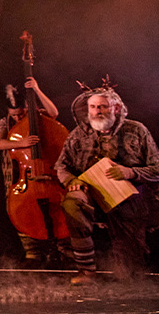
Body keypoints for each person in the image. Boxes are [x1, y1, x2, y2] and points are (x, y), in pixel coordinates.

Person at [55, 80, 159, 284]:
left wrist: (131, 172)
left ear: (116, 108)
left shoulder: (136, 130)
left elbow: (157, 169)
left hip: (128, 198)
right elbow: (61, 166)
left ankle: (129, 268)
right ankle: (86, 271)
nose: (97, 111)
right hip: (91, 193)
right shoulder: (78, 135)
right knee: (72, 202)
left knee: (130, 275)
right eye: (93, 107)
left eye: (102, 107)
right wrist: (71, 180)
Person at [0, 79, 64, 267]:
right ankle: (32, 251)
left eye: (21, 113)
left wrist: (37, 90)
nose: (18, 118)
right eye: (14, 115)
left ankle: (61, 247)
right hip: (20, 173)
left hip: (45, 171)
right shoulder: (5, 122)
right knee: (20, 208)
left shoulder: (37, 116)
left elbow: (54, 113)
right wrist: (21, 143)